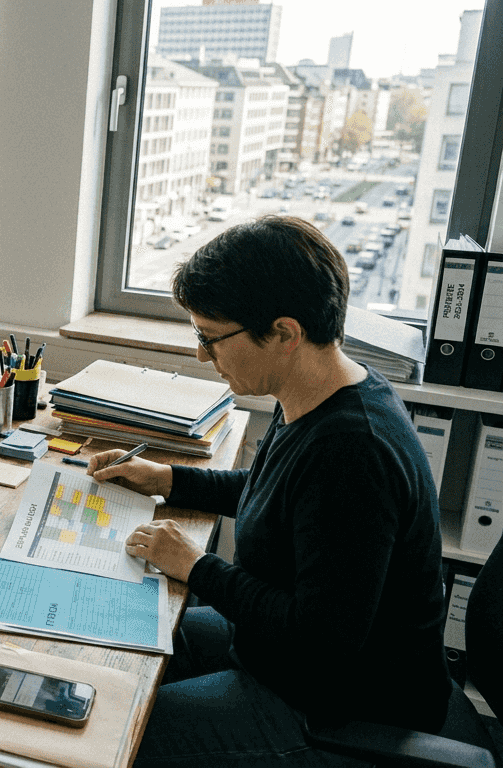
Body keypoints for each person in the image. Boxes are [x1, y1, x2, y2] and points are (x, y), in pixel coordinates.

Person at [89, 215, 450, 767]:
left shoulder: (354, 453)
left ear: (284, 333)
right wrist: (167, 478)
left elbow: (320, 643)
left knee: (114, 733)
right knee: (124, 632)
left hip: (338, 708)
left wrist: (198, 567)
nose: (201, 356)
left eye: (211, 338)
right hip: (279, 654)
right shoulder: (318, 391)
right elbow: (277, 496)